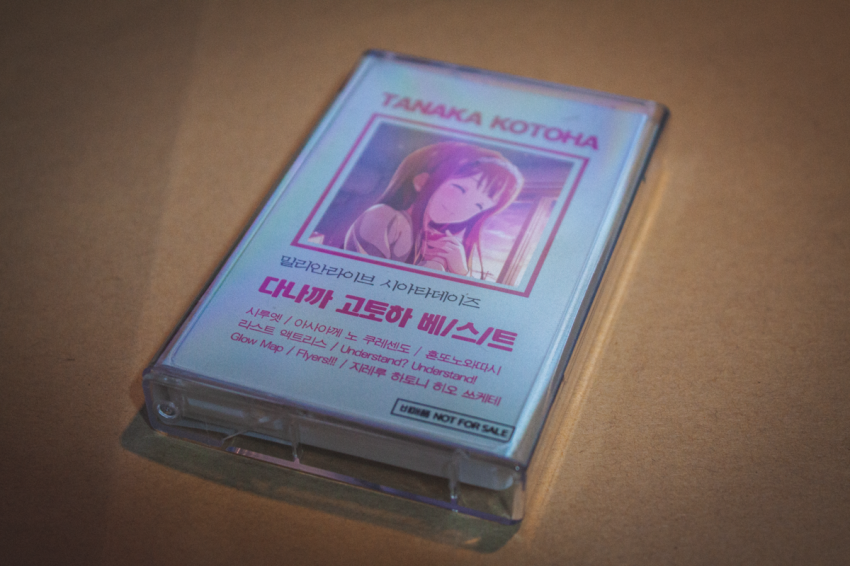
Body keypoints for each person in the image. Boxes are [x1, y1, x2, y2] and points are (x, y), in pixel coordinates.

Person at [344, 142, 523, 277]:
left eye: (479, 206)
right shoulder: (384, 216)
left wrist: (460, 270)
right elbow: (360, 280)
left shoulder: (435, 239)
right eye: (460, 189)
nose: (462, 207)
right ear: (422, 181)